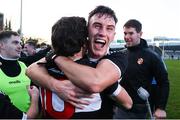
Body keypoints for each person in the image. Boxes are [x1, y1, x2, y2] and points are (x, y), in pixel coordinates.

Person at [26, 6, 132, 119]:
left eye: (109, 28)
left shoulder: (117, 56)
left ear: (113, 35)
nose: (102, 33)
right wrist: (56, 85)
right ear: (87, 31)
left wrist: (56, 57)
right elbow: (31, 69)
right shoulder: (65, 54)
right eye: (97, 26)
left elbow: (96, 83)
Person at [113, 19, 169, 119]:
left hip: (137, 110)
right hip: (119, 106)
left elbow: (163, 82)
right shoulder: (122, 54)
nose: (126, 37)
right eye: (125, 33)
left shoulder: (152, 56)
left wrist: (161, 108)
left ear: (140, 34)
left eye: (131, 33)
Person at [0, 30, 39, 118]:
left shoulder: (24, 66)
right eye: (15, 43)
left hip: (30, 114)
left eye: (20, 43)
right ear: (1, 45)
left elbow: (34, 91)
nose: (20, 46)